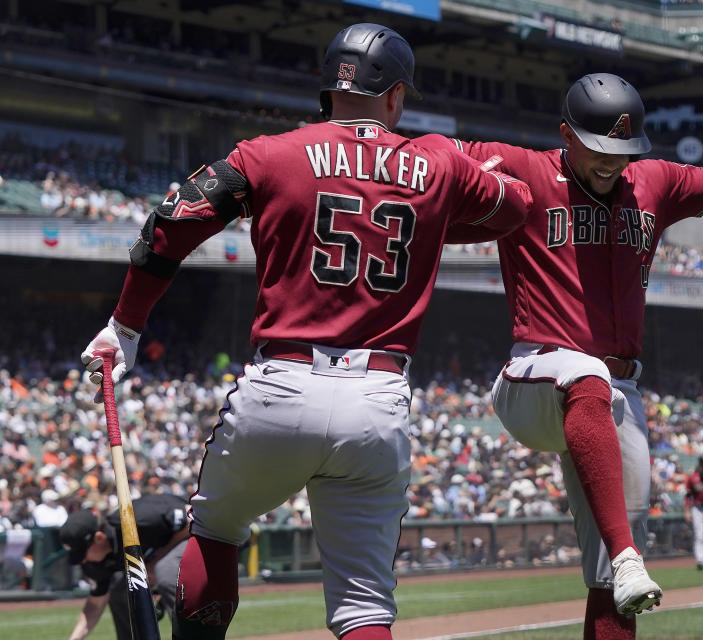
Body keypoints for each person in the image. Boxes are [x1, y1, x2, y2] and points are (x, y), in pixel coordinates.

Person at [79, 23, 531, 640]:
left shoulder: (268, 153)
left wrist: (124, 327)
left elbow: (170, 223)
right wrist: (428, 218)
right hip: (377, 397)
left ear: (328, 89)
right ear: (396, 96)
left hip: (280, 386)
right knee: (363, 606)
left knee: (213, 534)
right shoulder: (440, 161)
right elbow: (514, 210)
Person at [417, 73, 703, 640]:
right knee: (585, 375)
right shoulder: (527, 168)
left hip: (619, 391)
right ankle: (627, 555)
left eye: (624, 149)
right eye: (599, 148)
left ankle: (623, 561)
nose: (613, 161)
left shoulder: (652, 181)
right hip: (534, 376)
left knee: (616, 581)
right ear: (567, 134)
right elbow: (437, 150)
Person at [59, 494, 190, 640]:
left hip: (191, 534)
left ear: (99, 538)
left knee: (164, 570)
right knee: (119, 585)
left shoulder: (138, 517)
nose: (82, 561)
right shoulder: (96, 562)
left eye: (83, 554)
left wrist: (154, 563)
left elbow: (191, 520)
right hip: (155, 556)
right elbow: (95, 604)